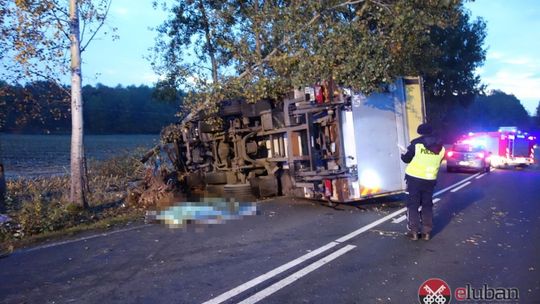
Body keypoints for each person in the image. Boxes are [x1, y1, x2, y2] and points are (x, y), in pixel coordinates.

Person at [400, 123, 445, 241]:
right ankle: (426, 232)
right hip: (430, 180)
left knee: (413, 205)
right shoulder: (441, 147)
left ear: (420, 132)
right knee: (427, 205)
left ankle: (413, 231)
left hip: (414, 179)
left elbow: (406, 159)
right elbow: (438, 162)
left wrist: (402, 154)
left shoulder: (416, 144)